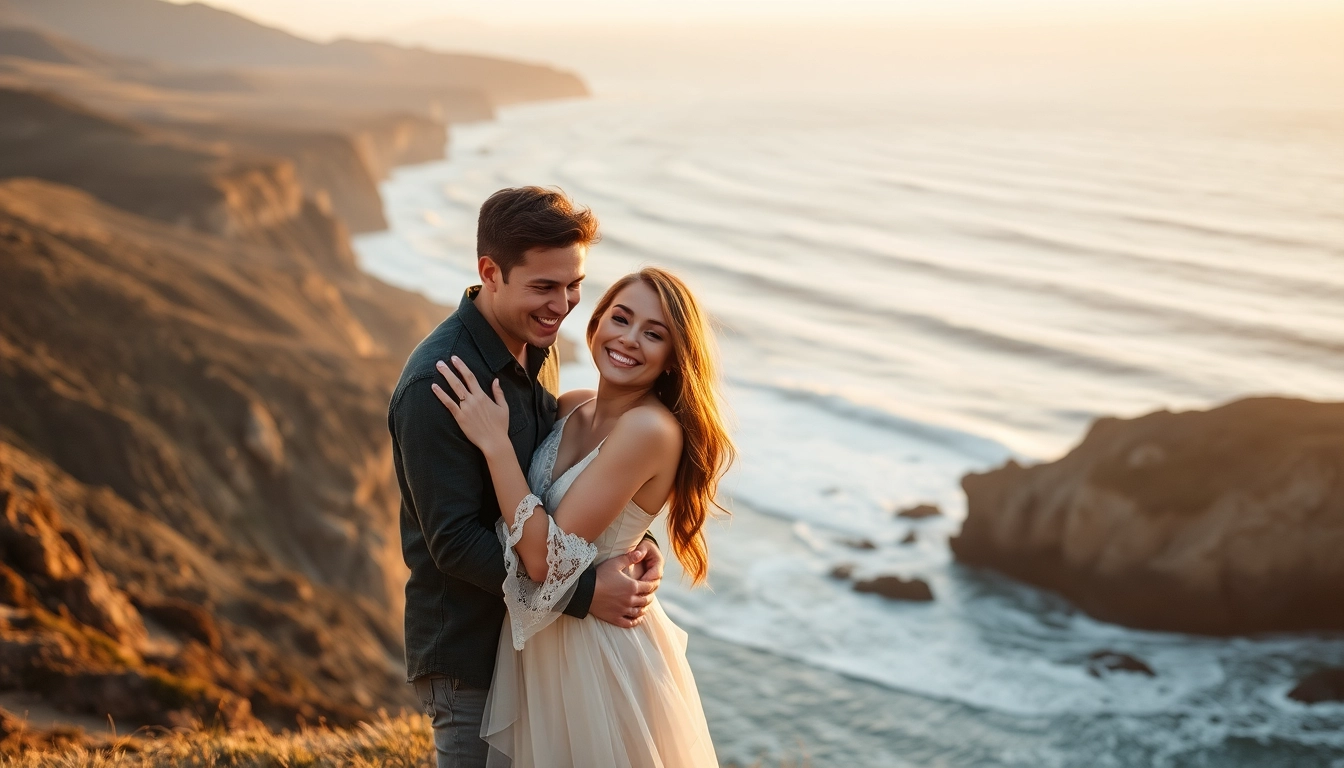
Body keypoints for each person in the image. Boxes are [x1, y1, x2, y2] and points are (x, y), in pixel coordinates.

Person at [388, 187, 665, 768]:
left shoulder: (534, 345)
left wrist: (634, 542)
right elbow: (455, 544)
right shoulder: (437, 386)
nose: (562, 305)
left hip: (541, 649)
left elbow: (563, 484)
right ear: (491, 272)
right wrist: (588, 591)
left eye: (574, 286)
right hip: (472, 655)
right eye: (544, 287)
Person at [433, 266, 734, 767]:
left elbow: (545, 562)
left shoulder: (649, 429)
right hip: (549, 641)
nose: (630, 340)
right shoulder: (572, 406)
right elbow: (596, 517)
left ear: (671, 360)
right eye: (621, 318)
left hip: (599, 652)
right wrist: (644, 545)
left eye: (654, 334)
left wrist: (495, 444)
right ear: (596, 324)